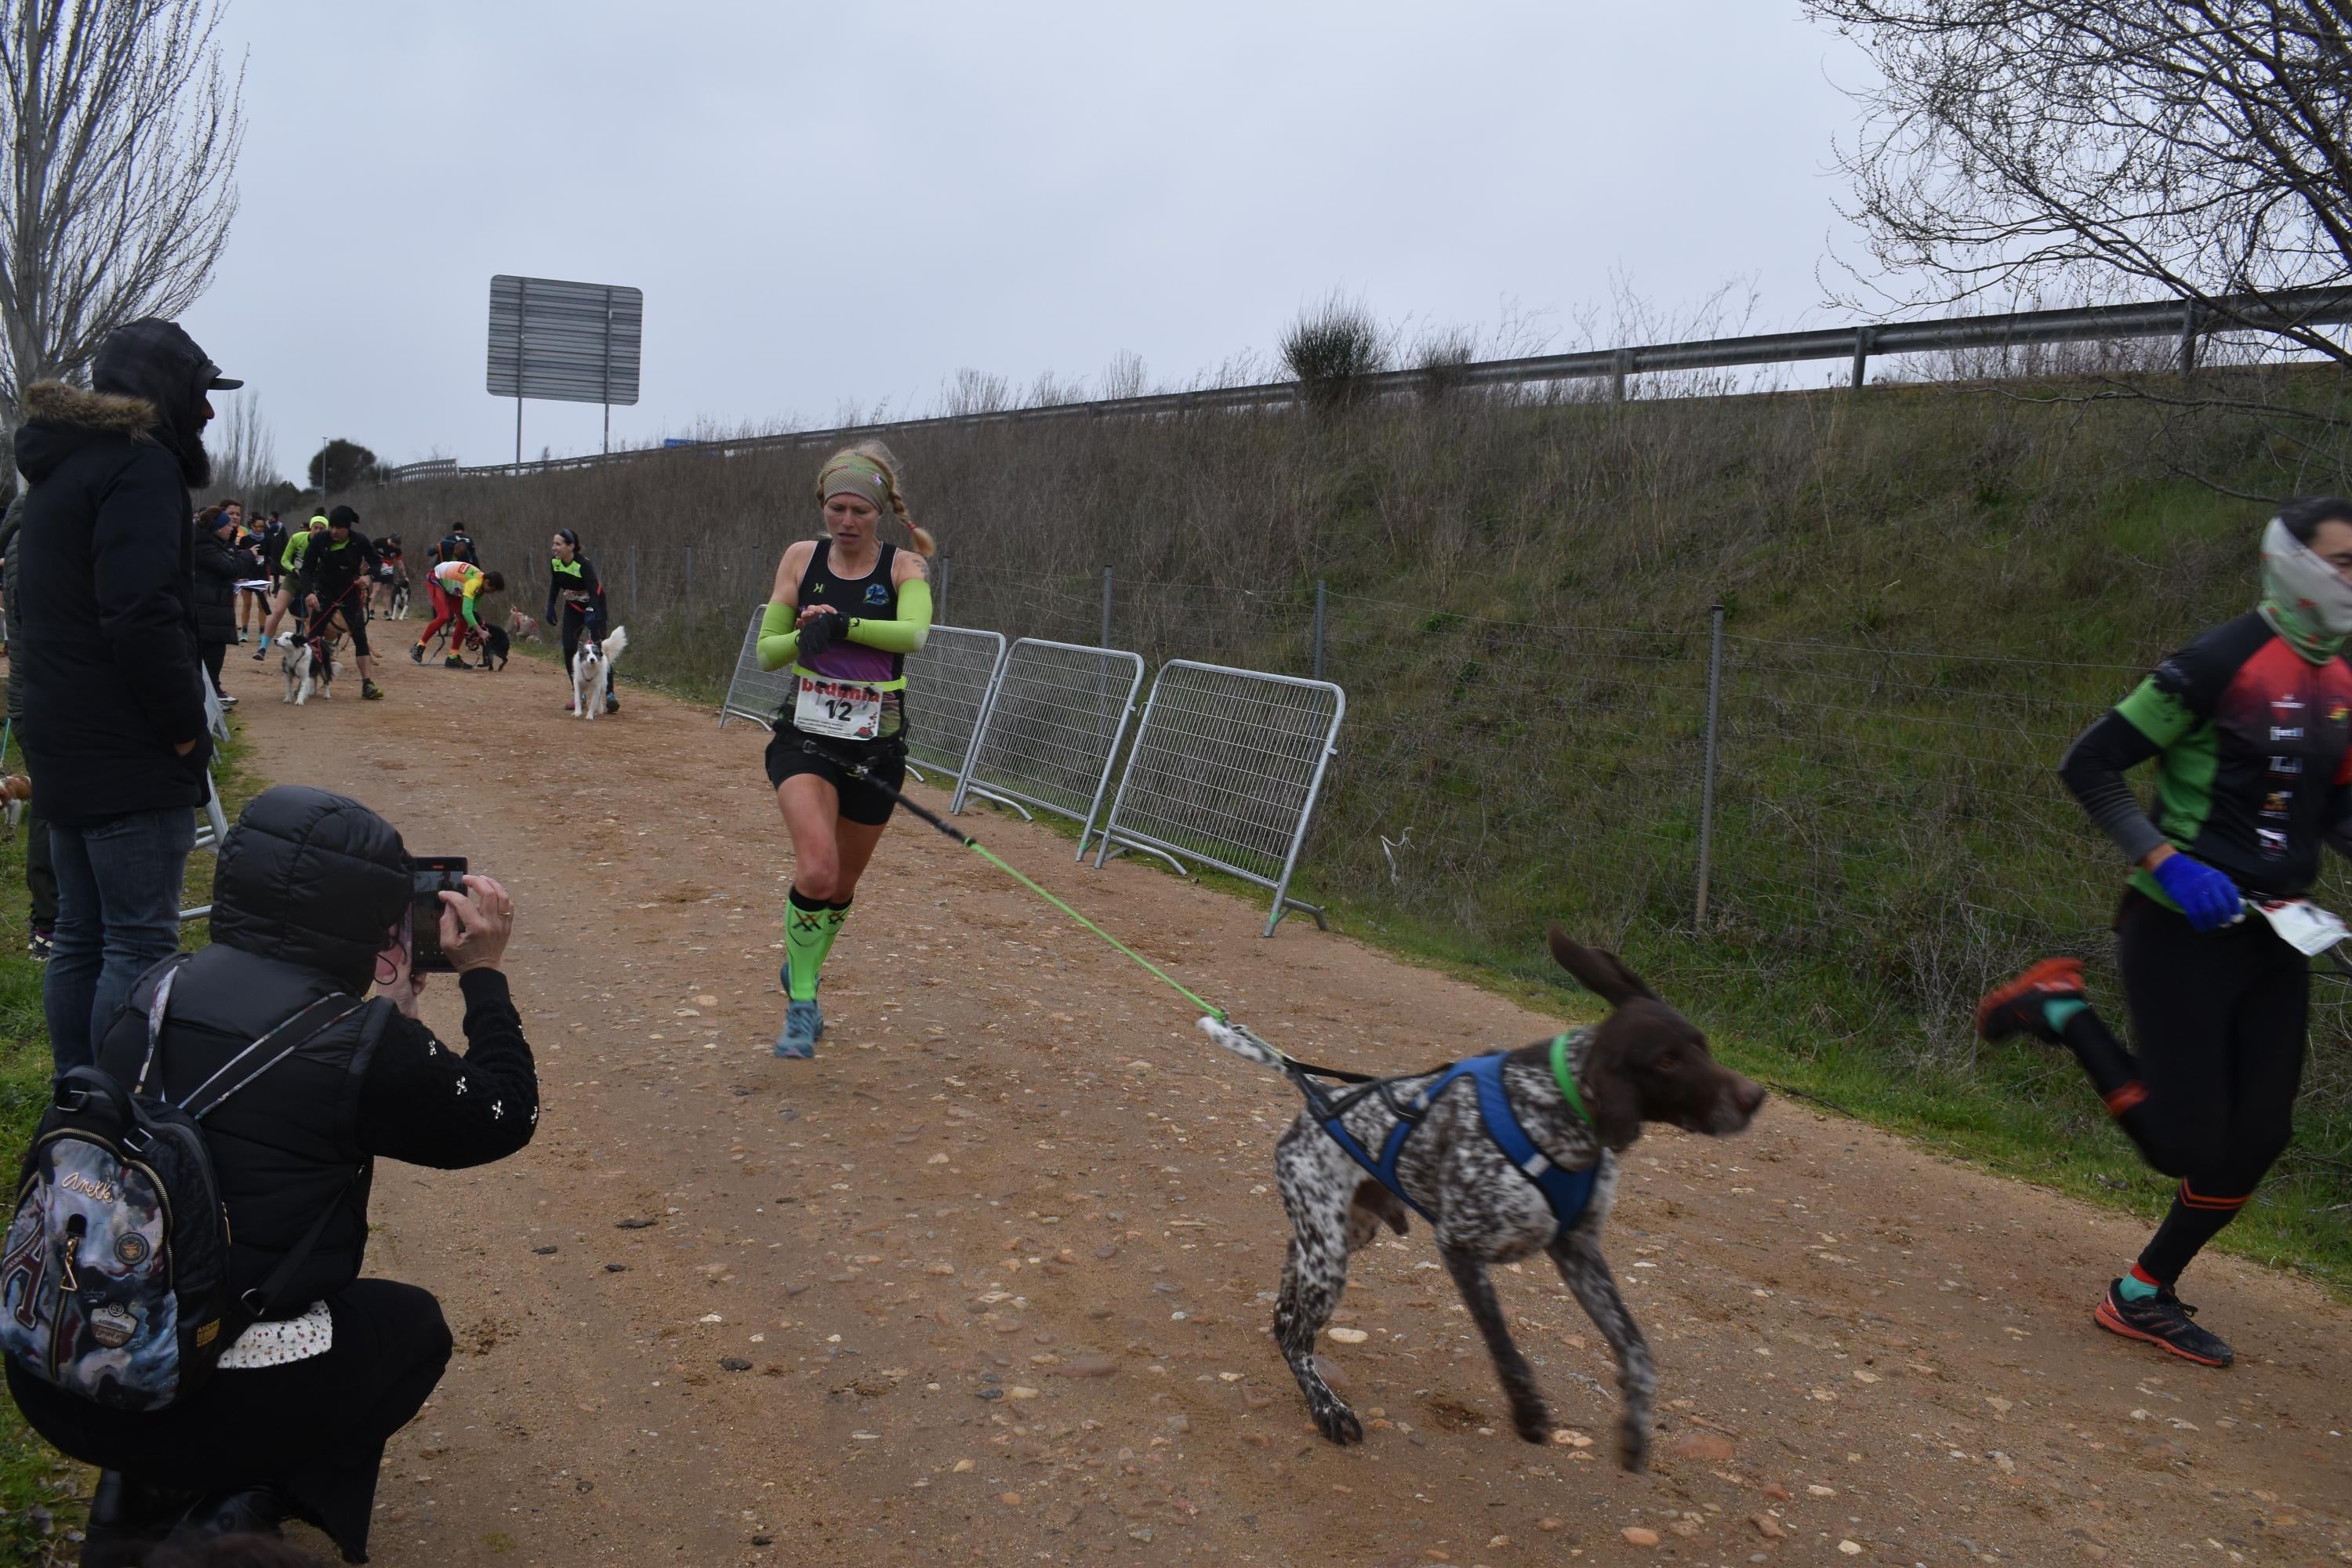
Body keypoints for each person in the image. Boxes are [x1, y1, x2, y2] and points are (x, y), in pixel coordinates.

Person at [4, 785, 537, 1563]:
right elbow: (504, 1114)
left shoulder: (151, 990)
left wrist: (386, 1017)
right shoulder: (362, 1046)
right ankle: (233, 1508)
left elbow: (289, 1062)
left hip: (60, 1366)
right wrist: (483, 972)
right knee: (411, 1330)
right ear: (371, 916)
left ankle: (135, 1486)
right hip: (194, 1392)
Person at [1976, 496, 2352, 1370]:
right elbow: (2090, 762)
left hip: (2278, 934)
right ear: (2295, 564)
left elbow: (2335, 810)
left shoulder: (2341, 681)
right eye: (2342, 562)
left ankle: (2141, 1293)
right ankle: (2061, 1006)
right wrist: (2165, 858)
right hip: (2179, 926)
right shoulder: (2217, 661)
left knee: (2259, 1135)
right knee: (2181, 1139)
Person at [10, 316, 225, 1072]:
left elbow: (33, 609)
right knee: (135, 941)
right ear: (164, 391)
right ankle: (119, 1120)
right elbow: (141, 614)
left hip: (65, 737)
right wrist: (182, 732)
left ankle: (78, 1109)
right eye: (201, 394)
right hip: (126, 747)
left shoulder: (61, 467)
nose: (208, 412)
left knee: (80, 935)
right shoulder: (139, 465)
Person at [754, 441, 935, 1058]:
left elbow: (914, 633)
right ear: (823, 506)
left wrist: (846, 625)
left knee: (842, 886)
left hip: (875, 748)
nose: (848, 521)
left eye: (859, 509)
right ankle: (803, 1001)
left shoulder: (904, 567)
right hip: (804, 739)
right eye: (837, 508)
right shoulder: (801, 559)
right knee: (817, 869)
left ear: (879, 511)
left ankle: (801, 963)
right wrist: (807, 632)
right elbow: (766, 651)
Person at [0, 494, 57, 960]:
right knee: (52, 809)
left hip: (43, 697)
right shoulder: (35, 534)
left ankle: (55, 920)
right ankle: (50, 923)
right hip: (47, 701)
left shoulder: (35, 527)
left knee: (52, 807)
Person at [298, 505, 384, 700]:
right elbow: (306, 569)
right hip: (325, 593)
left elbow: (377, 563)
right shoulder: (320, 539)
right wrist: (308, 592)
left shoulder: (359, 541)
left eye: (339, 528)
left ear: (348, 528)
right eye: (332, 527)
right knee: (314, 637)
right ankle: (307, 683)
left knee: (360, 637)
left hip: (349, 593)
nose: (334, 531)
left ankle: (367, 685)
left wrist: (369, 577)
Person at [193, 504, 260, 709]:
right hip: (207, 610)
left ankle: (212, 694)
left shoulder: (213, 544)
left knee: (214, 654)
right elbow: (228, 568)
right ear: (217, 528)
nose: (232, 527)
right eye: (227, 524)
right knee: (210, 655)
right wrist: (248, 555)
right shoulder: (204, 547)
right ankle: (209, 697)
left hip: (214, 608)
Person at [546, 527, 618, 714]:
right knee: (569, 647)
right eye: (553, 543)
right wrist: (550, 606)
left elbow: (594, 589)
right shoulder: (555, 562)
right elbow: (555, 584)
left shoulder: (583, 564)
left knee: (599, 648)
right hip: (573, 607)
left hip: (594, 605)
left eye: (558, 544)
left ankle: (609, 693)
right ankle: (580, 695)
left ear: (571, 546)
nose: (554, 547)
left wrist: (593, 611)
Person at [253, 513, 326, 659]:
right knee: (278, 611)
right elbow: (284, 559)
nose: (318, 531)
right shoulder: (297, 538)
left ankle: (312, 652)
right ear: (310, 528)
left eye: (322, 529)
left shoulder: (327, 545)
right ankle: (262, 649)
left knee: (313, 617)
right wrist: (293, 569)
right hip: (293, 579)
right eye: (315, 528)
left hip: (311, 583)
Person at [409, 559, 503, 670]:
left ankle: (453, 656)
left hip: (451, 586)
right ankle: (419, 646)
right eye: (492, 590)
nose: (492, 593)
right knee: (444, 616)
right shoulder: (474, 583)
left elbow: (471, 612)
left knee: (463, 620)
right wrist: (480, 631)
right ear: (487, 582)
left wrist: (479, 628)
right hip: (436, 578)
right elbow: (467, 612)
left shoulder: (481, 587)